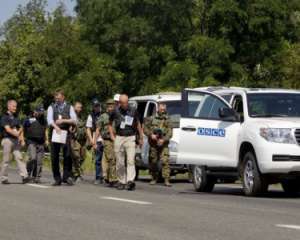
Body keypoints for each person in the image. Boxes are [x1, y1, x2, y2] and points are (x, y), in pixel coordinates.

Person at [109, 94, 143, 191]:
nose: (125, 104)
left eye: (126, 102)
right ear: (119, 103)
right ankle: (121, 181)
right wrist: (112, 135)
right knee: (119, 161)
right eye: (123, 103)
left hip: (130, 137)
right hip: (119, 137)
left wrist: (141, 137)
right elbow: (110, 123)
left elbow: (138, 124)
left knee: (130, 160)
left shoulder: (133, 110)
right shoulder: (115, 111)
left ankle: (130, 181)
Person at [47, 90, 77, 186]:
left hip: (65, 132)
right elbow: (49, 120)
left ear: (63, 97)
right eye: (56, 98)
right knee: (54, 156)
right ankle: (57, 178)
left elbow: (74, 120)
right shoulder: (51, 107)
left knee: (67, 155)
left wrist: (64, 120)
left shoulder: (69, 107)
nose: (57, 100)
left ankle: (66, 177)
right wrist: (56, 127)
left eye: (59, 98)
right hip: (55, 131)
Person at [0, 100, 30, 184]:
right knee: (6, 159)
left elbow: (20, 128)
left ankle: (25, 176)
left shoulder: (15, 117)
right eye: (14, 106)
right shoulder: (4, 117)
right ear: (8, 106)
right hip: (7, 140)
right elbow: (7, 129)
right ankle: (4, 178)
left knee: (19, 157)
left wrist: (22, 139)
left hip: (16, 140)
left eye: (16, 106)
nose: (15, 108)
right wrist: (16, 134)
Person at [144, 102, 173, 187]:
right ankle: (154, 178)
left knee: (165, 161)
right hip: (153, 143)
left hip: (164, 144)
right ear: (158, 108)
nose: (163, 110)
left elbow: (170, 133)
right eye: (161, 108)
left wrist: (163, 140)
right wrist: (151, 135)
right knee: (153, 161)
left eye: (164, 108)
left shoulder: (168, 119)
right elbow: (145, 129)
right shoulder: (151, 118)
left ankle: (167, 180)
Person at [96, 99, 117, 187]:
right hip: (107, 140)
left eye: (112, 106)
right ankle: (113, 179)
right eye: (109, 106)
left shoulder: (118, 115)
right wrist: (94, 141)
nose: (110, 108)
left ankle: (108, 177)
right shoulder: (103, 116)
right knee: (111, 159)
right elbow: (98, 129)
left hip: (117, 139)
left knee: (115, 159)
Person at [23, 105, 48, 183]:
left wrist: (47, 140)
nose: (41, 114)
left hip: (41, 142)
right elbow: (22, 127)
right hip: (31, 141)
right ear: (35, 112)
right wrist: (23, 139)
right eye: (39, 112)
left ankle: (37, 177)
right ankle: (27, 174)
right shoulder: (29, 119)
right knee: (33, 158)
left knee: (39, 162)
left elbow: (46, 130)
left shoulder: (44, 120)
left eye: (42, 112)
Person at [86, 99, 103, 185]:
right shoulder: (90, 116)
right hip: (96, 140)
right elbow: (88, 129)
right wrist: (92, 141)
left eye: (98, 105)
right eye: (96, 106)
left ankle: (107, 177)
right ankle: (98, 177)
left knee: (107, 159)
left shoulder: (103, 114)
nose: (97, 107)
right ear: (93, 107)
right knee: (97, 160)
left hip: (105, 139)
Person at [70, 102, 86, 183]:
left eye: (81, 107)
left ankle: (77, 172)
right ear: (74, 107)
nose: (80, 109)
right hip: (74, 139)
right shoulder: (71, 116)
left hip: (82, 140)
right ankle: (76, 174)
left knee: (83, 157)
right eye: (78, 107)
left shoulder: (81, 117)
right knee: (76, 156)